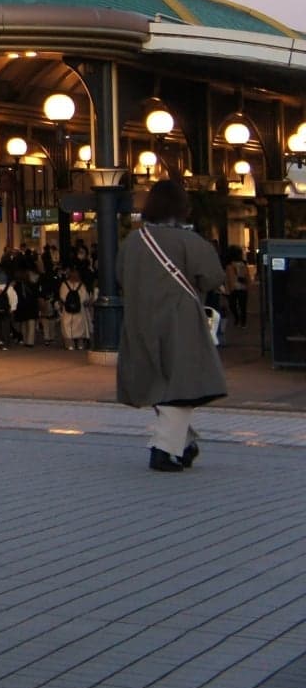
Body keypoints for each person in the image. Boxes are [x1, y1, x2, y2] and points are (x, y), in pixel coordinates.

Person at [118, 180, 228, 472]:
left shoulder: (132, 241)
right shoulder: (190, 242)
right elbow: (213, 277)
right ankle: (164, 450)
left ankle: (184, 441)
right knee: (181, 385)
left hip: (139, 319)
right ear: (182, 207)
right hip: (180, 322)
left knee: (157, 382)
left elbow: (119, 276)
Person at [58, 265, 95, 351]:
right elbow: (85, 297)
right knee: (79, 327)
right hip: (79, 309)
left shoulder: (64, 284)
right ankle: (80, 344)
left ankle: (70, 344)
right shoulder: (81, 285)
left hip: (67, 309)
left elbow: (62, 296)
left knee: (67, 327)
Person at [0, 272, 20, 351]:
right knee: (6, 327)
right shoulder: (9, 288)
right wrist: (12, 308)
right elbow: (14, 298)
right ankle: (6, 343)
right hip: (6, 310)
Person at [224, 247, 250, 330]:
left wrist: (247, 283)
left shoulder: (243, 264)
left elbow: (247, 276)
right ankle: (237, 318)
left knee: (242, 306)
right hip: (234, 288)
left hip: (242, 287)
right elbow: (227, 278)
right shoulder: (229, 266)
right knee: (232, 305)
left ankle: (243, 322)